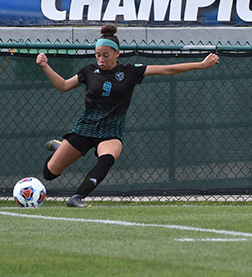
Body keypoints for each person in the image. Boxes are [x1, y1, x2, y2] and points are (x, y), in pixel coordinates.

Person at [38, 24, 218, 207]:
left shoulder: (129, 72)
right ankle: (60, 147)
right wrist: (45, 66)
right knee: (50, 173)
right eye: (98, 55)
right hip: (85, 128)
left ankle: (77, 197)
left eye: (105, 55)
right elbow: (63, 86)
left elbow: (168, 69)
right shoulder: (89, 71)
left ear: (117, 53)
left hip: (111, 131)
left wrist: (201, 65)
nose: (101, 59)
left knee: (107, 158)